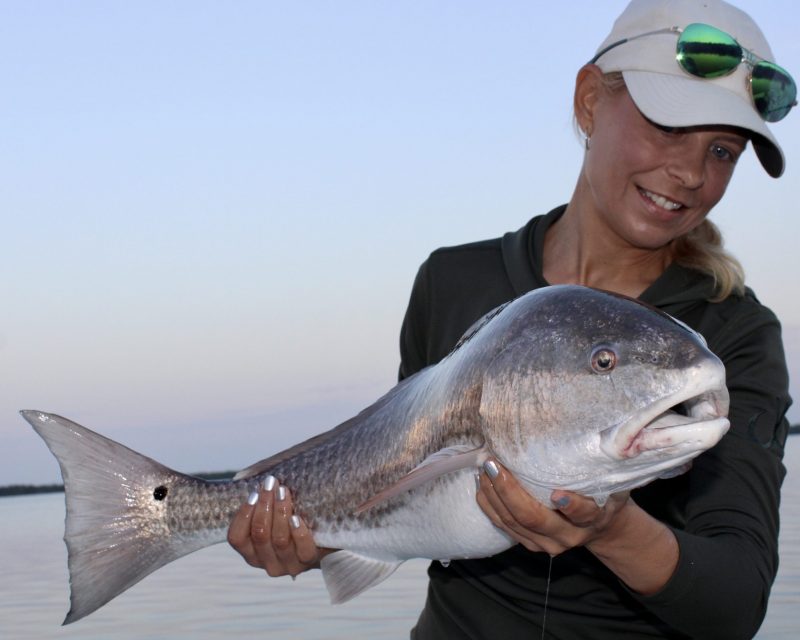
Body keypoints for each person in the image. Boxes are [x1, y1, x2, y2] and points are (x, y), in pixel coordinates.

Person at [227, 0, 794, 637]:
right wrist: (305, 535)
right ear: (589, 101)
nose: (691, 173)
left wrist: (611, 528)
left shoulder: (732, 339)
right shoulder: (451, 281)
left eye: (723, 150)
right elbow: (399, 490)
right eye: (667, 127)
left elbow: (736, 602)